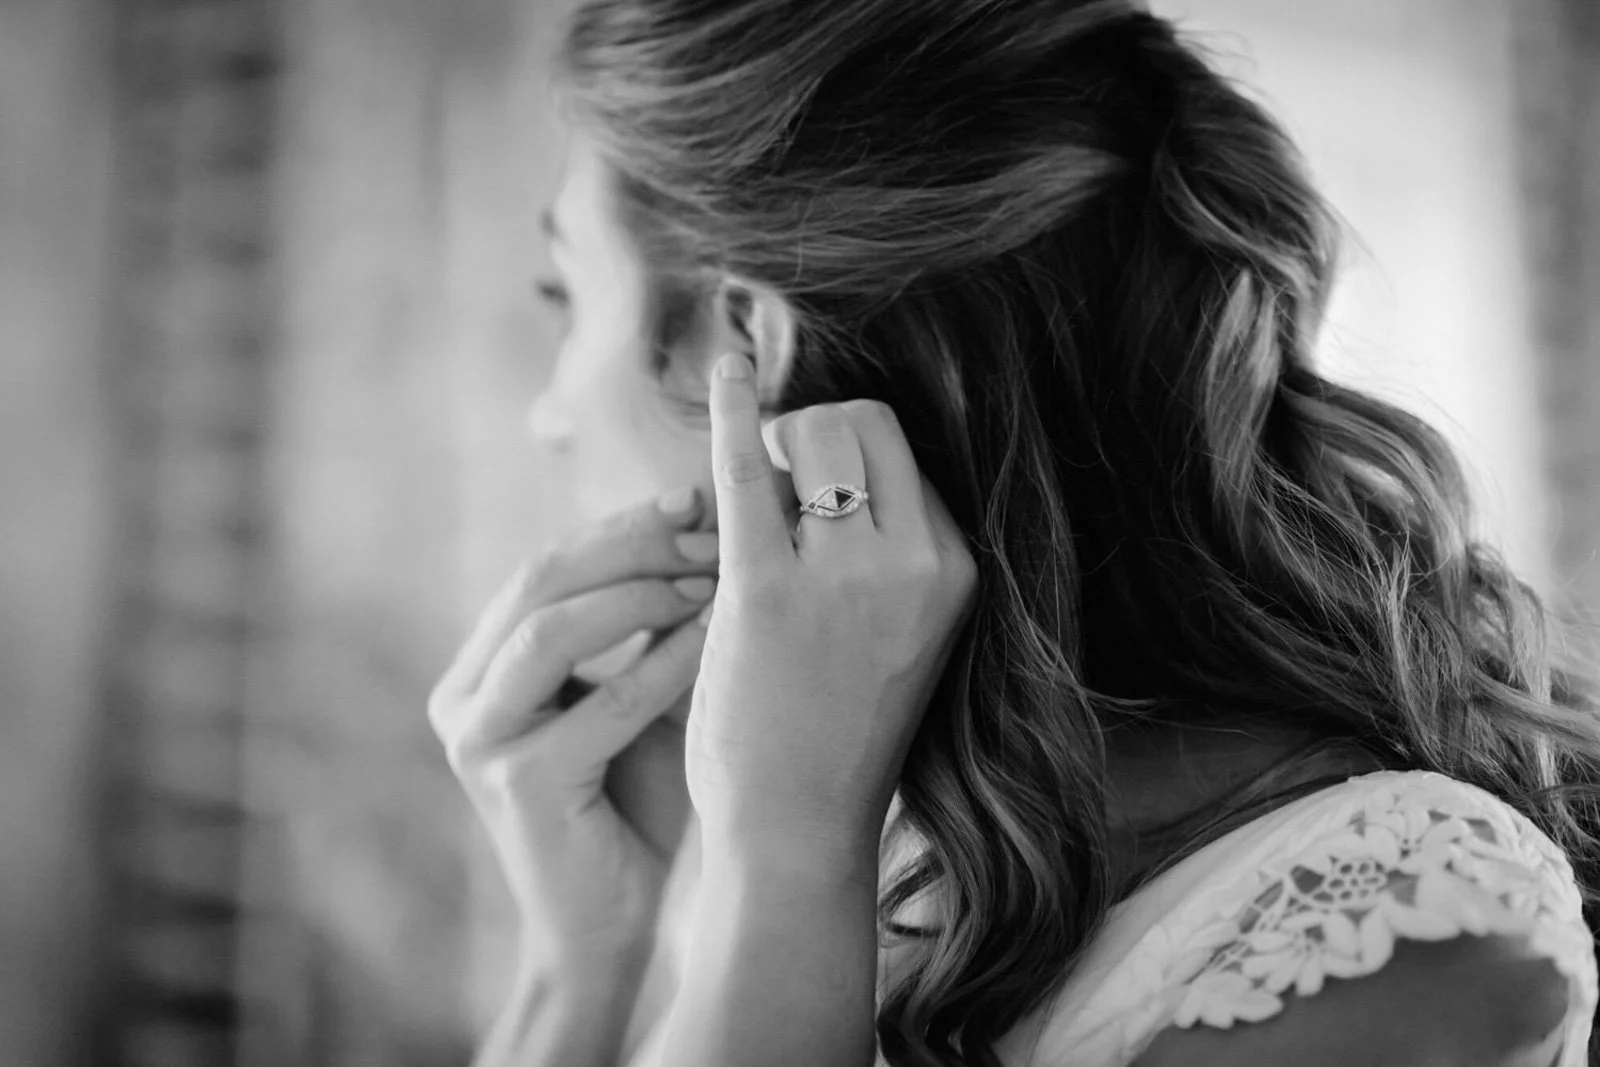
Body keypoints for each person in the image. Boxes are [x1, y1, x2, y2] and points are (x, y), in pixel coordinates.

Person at [426, 1, 1600, 1064]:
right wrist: (577, 962)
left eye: (564, 294)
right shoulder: (831, 825)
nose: (547, 416)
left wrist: (781, 870)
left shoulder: (1393, 916)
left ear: (750, 349)